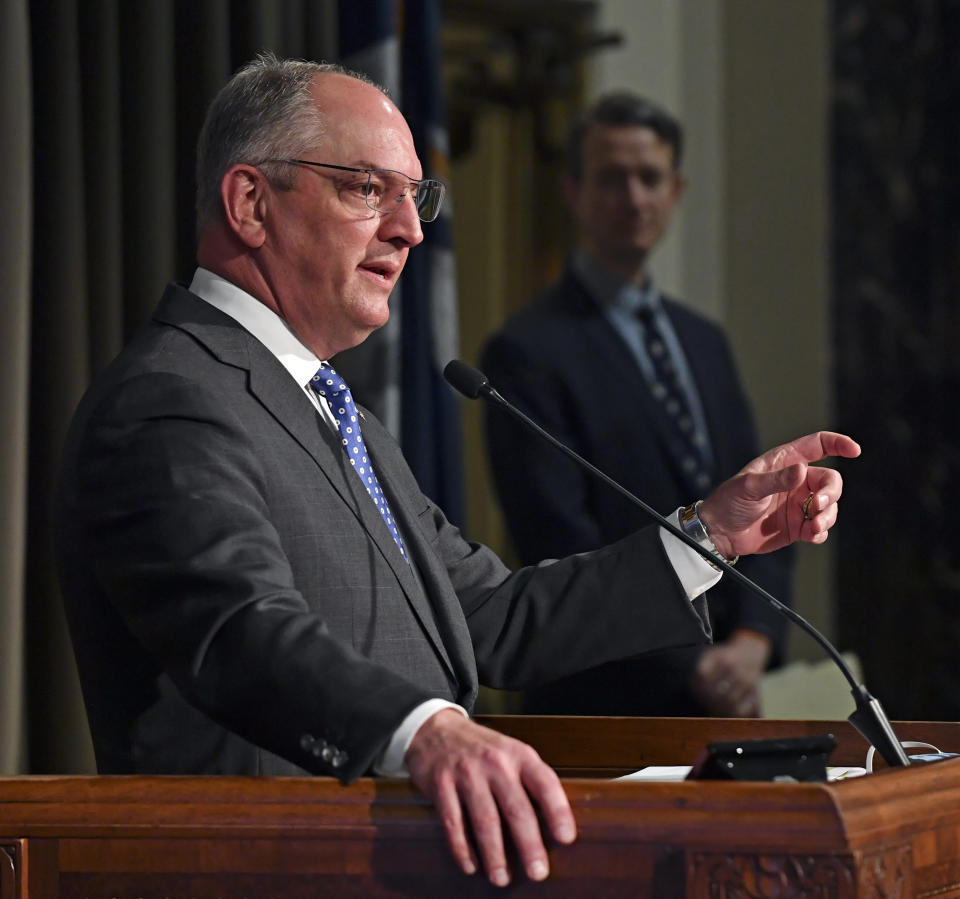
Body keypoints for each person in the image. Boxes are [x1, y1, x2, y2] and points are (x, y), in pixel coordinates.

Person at [55, 55, 858, 889]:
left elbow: (488, 616)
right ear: (251, 203)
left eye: (415, 195)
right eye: (369, 190)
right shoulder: (170, 402)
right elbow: (242, 630)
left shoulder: (335, 411)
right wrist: (426, 731)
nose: (410, 229)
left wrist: (708, 536)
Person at [481, 92, 794, 719]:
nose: (633, 198)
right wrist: (693, 664)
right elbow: (557, 539)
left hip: (738, 694)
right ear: (572, 192)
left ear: (676, 191)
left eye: (650, 178)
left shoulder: (705, 341)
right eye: (611, 178)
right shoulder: (526, 350)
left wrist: (756, 639)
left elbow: (764, 492)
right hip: (605, 704)